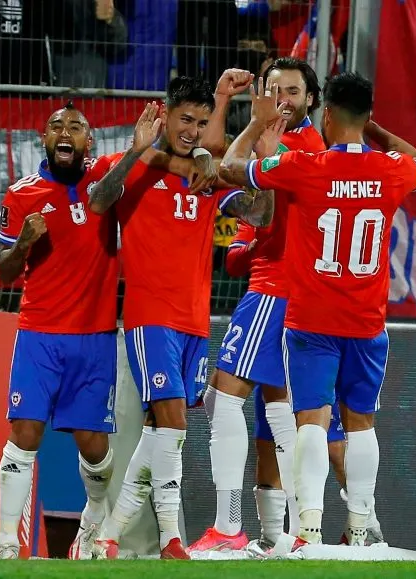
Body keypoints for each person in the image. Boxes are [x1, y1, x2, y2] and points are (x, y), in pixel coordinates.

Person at [219, 72, 416, 547]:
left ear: (327, 115)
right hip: (367, 321)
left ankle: (308, 530)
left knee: (310, 418)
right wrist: (374, 131)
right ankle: (360, 525)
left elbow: (231, 168)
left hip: (313, 320)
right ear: (365, 116)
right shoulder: (391, 169)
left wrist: (254, 127)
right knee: (360, 423)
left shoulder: (306, 165)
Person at [87, 74, 275, 560]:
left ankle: (107, 534)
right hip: (151, 318)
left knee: (158, 432)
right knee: (173, 426)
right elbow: (97, 200)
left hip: (195, 322)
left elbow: (261, 214)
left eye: (200, 120)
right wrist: (135, 152)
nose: (192, 130)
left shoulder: (206, 177)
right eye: (184, 119)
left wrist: (260, 154)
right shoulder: (137, 165)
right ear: (165, 116)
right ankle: (171, 539)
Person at [189, 57, 326, 553]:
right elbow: (224, 164)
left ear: (311, 99)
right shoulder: (299, 143)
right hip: (298, 291)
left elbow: (226, 169)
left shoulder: (293, 145)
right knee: (280, 407)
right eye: (274, 90)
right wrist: (226, 105)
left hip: (274, 288)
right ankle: (296, 532)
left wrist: (251, 120)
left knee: (223, 395)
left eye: (292, 91)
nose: (283, 99)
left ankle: (228, 527)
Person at [0, 102, 126, 560]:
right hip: (40, 334)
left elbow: (143, 161)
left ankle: (93, 519)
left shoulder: (106, 186)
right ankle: (7, 544)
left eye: (74, 126)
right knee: (25, 432)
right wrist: (25, 243)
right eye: (55, 126)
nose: (64, 132)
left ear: (89, 142)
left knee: (94, 448)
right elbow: (4, 272)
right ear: (43, 139)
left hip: (95, 338)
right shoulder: (21, 193)